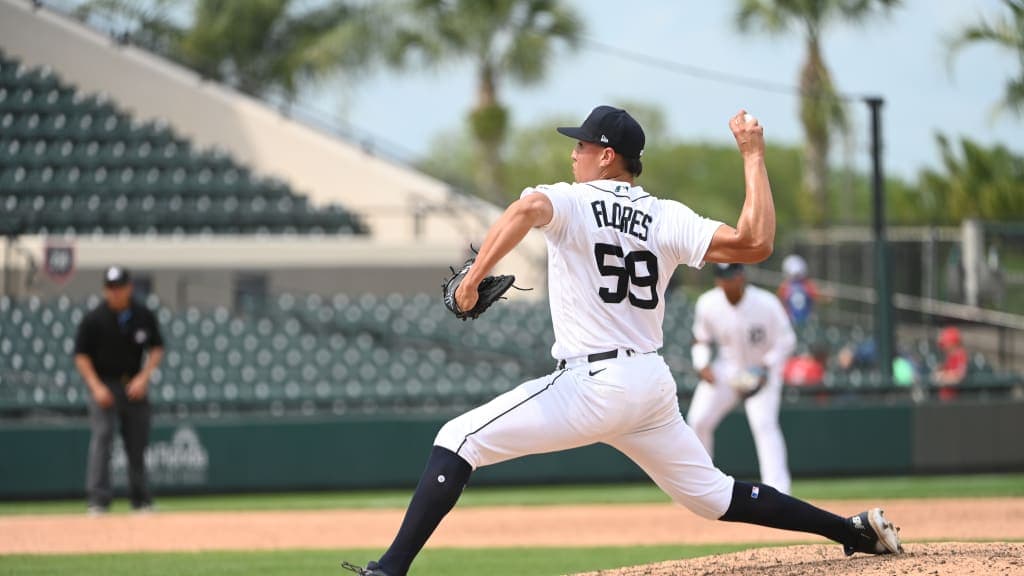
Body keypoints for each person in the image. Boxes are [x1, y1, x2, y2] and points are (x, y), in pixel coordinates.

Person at [342, 106, 902, 576]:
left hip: (593, 383)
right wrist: (753, 155)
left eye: (582, 145)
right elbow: (755, 244)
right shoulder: (664, 216)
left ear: (606, 155)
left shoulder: (571, 200)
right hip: (649, 385)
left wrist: (469, 283)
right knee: (715, 497)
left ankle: (388, 570)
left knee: (459, 438)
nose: (574, 153)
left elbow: (524, 209)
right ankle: (850, 530)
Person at [686, 263, 797, 494]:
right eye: (722, 277)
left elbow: (787, 340)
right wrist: (702, 363)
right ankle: (700, 486)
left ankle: (779, 491)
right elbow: (701, 340)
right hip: (727, 370)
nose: (727, 282)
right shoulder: (708, 303)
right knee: (698, 419)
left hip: (761, 370)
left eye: (731, 276)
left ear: (741, 276)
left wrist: (767, 366)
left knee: (764, 424)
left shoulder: (766, 303)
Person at [74, 266, 164, 514]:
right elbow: (81, 356)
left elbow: (157, 347)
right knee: (103, 437)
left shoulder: (142, 314)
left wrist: (144, 377)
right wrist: (96, 386)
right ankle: (98, 500)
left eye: (119, 287)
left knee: (137, 443)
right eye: (111, 288)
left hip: (134, 384)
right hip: (105, 383)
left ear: (129, 288)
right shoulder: (94, 318)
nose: (115, 292)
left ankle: (141, 499)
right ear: (105, 290)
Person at [777, 254, 820, 327]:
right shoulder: (785, 286)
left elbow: (816, 299)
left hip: (805, 321)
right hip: (791, 321)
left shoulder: (808, 285)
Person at [932, 326, 967, 401]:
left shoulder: (960, 355)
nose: (943, 347)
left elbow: (959, 376)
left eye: (945, 343)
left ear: (953, 343)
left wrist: (941, 376)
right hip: (946, 398)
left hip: (955, 400)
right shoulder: (949, 357)